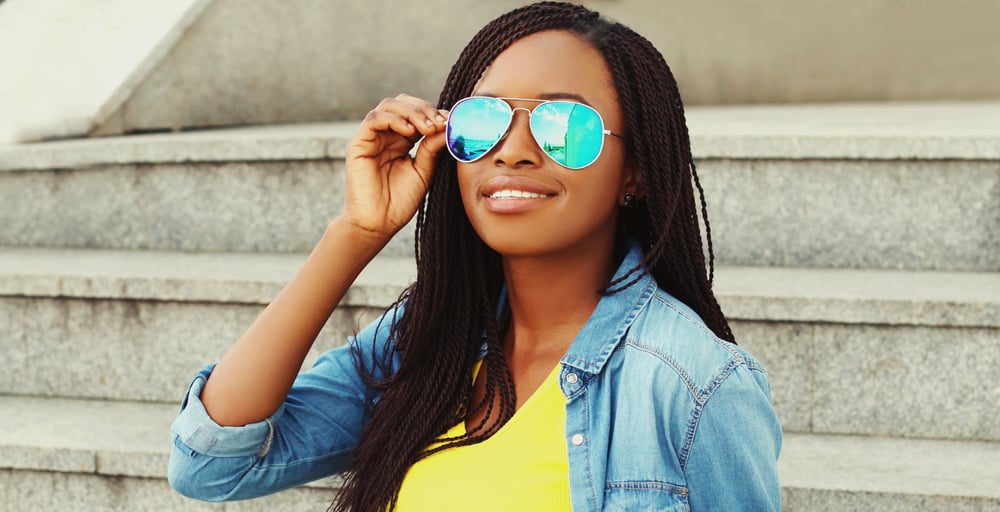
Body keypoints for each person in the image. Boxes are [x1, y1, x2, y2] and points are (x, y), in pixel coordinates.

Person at [167, 2, 782, 510]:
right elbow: (213, 462)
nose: (512, 150)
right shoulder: (427, 341)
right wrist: (357, 231)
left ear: (637, 171)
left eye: (564, 124)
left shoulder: (692, 383)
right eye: (482, 120)